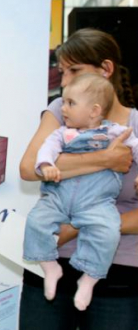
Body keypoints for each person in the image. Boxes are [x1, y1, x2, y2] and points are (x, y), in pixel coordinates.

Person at [17, 28, 138, 330]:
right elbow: (31, 167)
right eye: (61, 72)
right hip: (52, 262)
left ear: (106, 69)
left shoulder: (134, 127)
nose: (63, 83)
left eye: (73, 71)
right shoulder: (60, 109)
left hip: (118, 272)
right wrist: (105, 160)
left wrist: (88, 225)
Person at [23, 73, 138, 310]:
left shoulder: (116, 131)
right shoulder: (62, 133)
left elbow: (135, 147)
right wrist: (46, 165)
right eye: (63, 102)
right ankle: (49, 265)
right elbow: (45, 151)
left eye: (70, 103)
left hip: (97, 202)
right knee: (35, 221)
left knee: (107, 232)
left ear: (94, 110)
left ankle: (90, 277)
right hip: (58, 199)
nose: (62, 108)